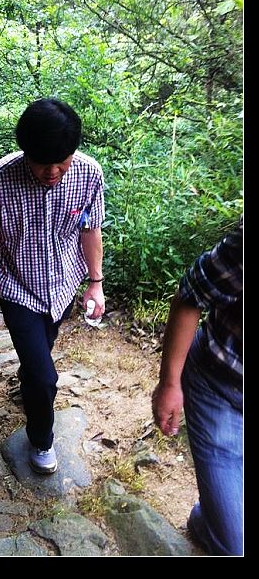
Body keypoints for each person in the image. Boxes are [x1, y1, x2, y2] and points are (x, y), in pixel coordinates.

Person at [0, 98, 105, 475]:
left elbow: (90, 229)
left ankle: (30, 378)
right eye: (43, 163)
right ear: (26, 152)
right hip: (18, 288)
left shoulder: (89, 174)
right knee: (45, 377)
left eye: (62, 162)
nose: (53, 172)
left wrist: (95, 283)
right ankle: (41, 439)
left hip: (63, 285)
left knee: (38, 358)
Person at [152, 219, 242, 556]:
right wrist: (170, 384)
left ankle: (219, 515)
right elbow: (191, 295)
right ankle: (213, 520)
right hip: (219, 387)